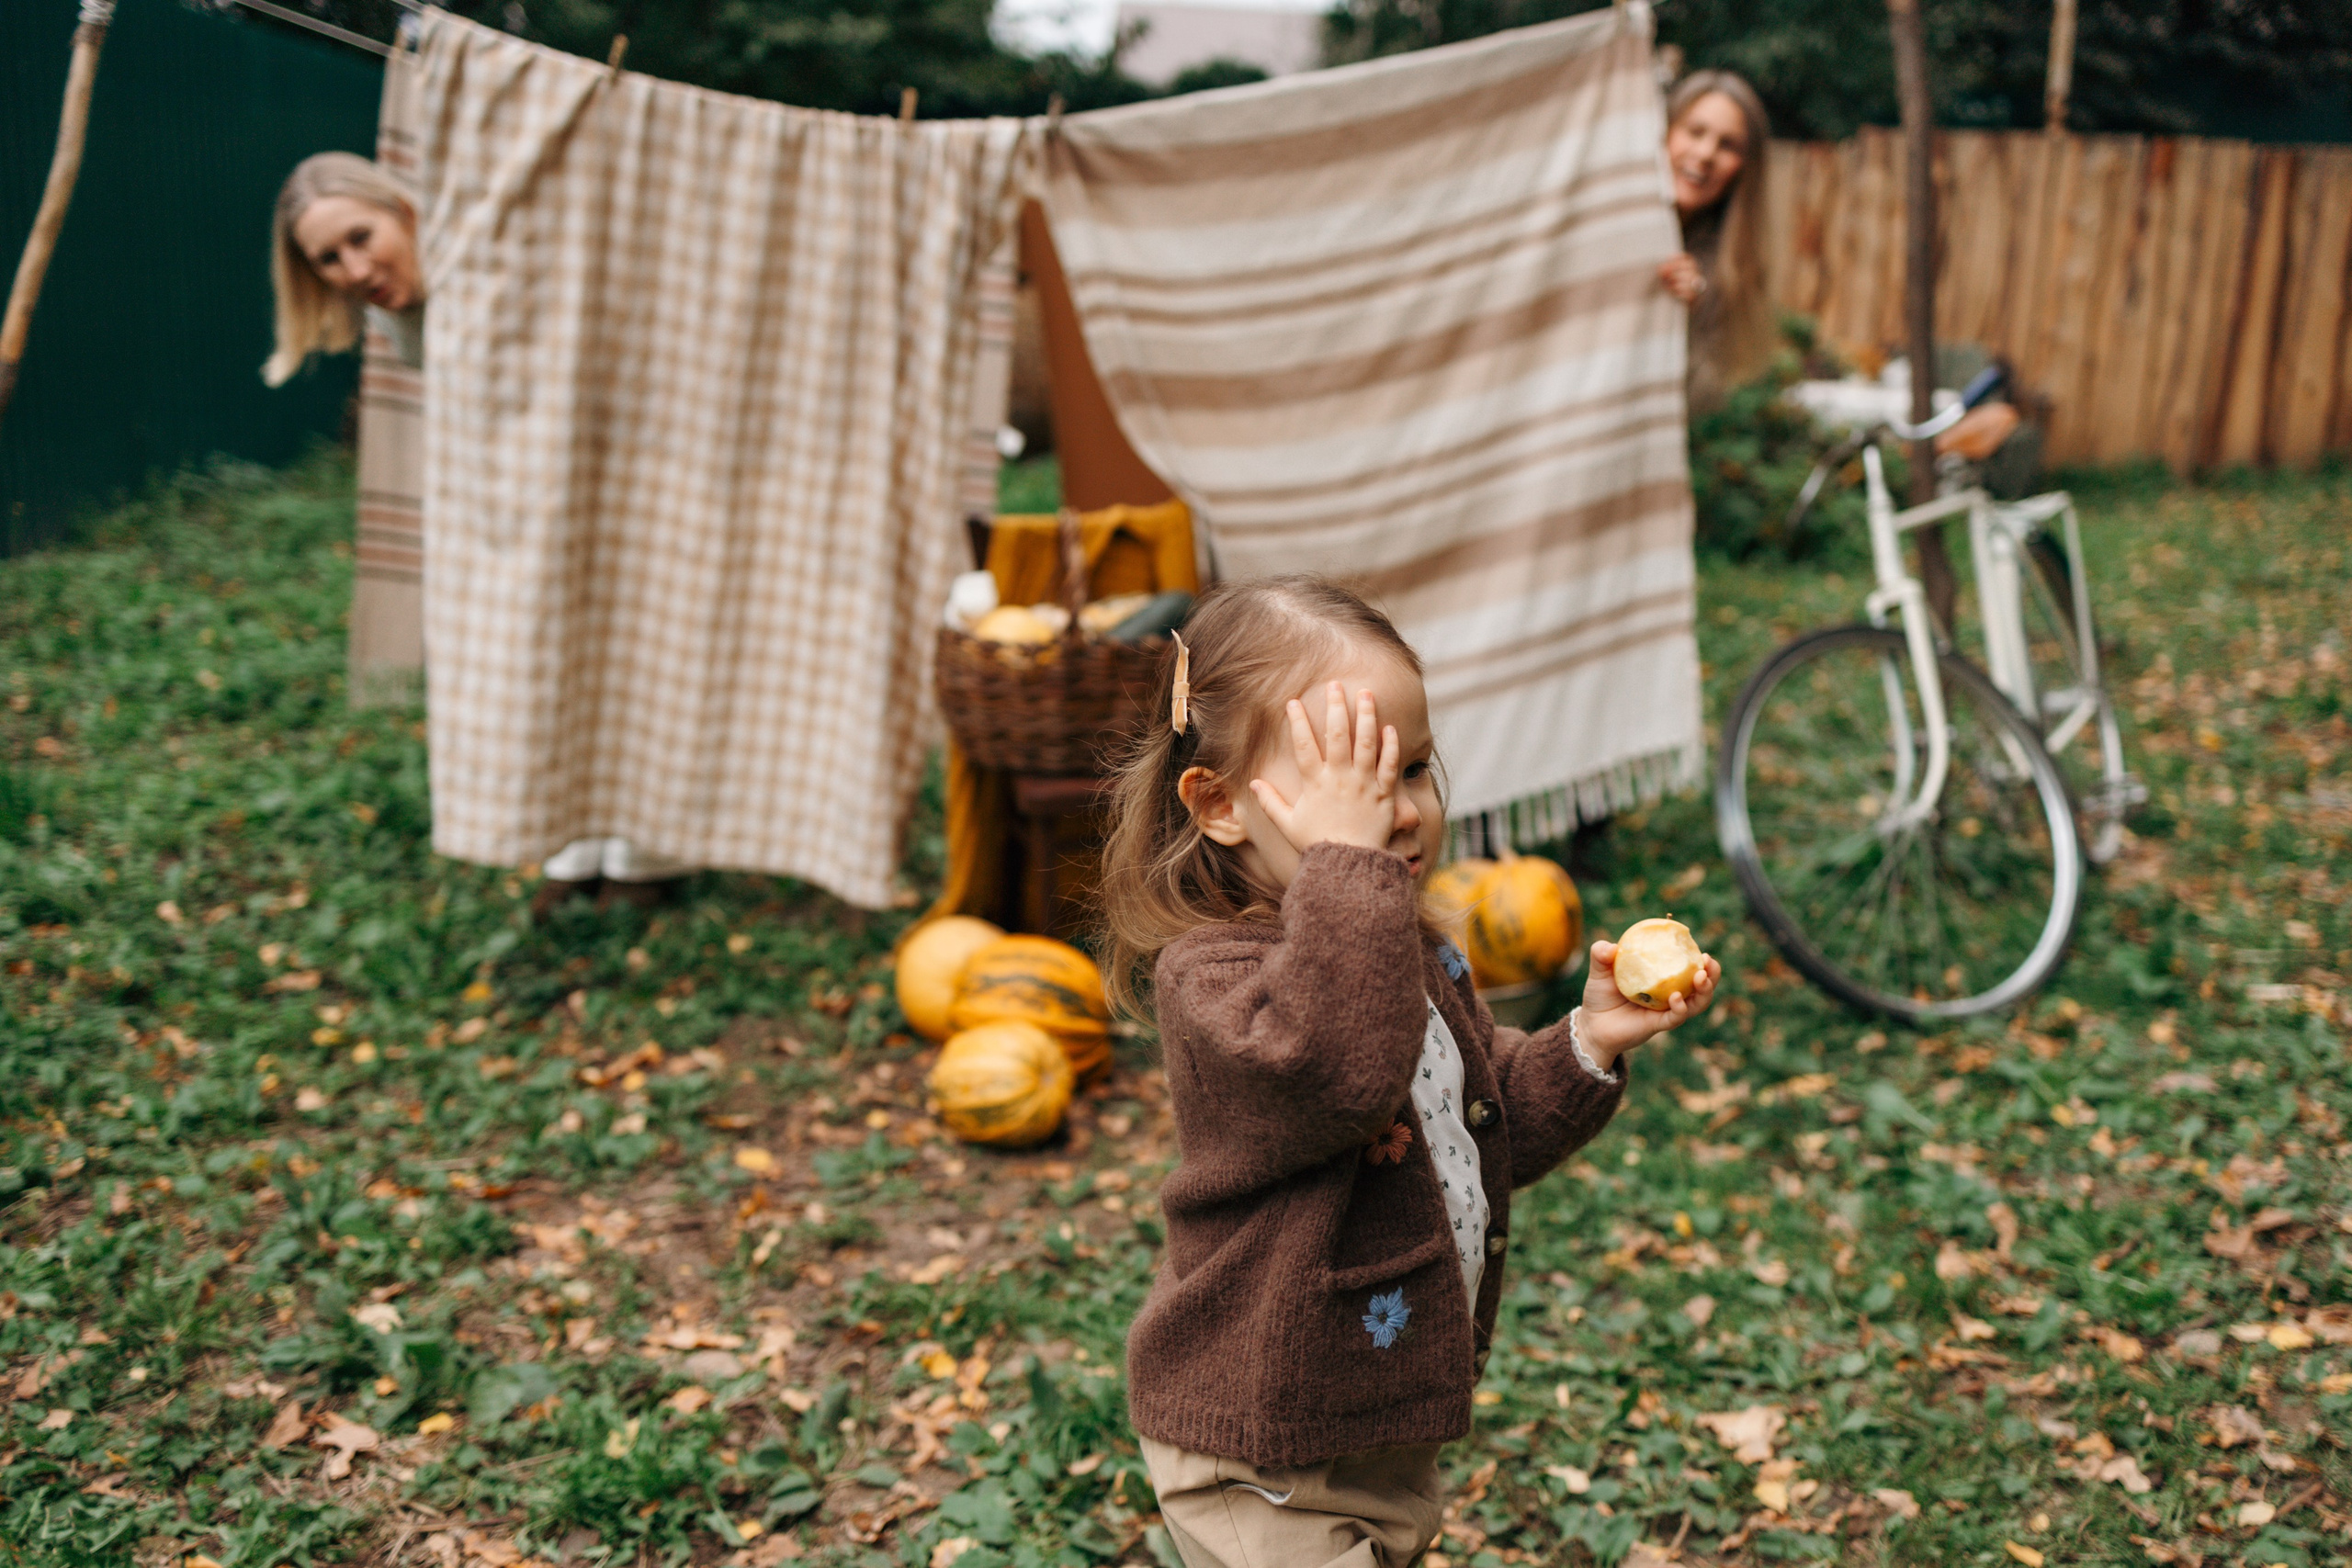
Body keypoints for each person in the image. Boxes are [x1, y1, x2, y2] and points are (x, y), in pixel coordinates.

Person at [1097, 577, 1719, 1568]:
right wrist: (1354, 876)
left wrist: (1587, 1042)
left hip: (1371, 1421)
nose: (1392, 813)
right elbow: (1338, 1074)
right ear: (1217, 804)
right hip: (1260, 1443)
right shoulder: (1212, 978)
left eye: (1413, 768)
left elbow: (1488, 1124)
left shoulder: (1403, 950)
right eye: (1347, 784)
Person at [264, 152, 692, 908]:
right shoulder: (388, 308)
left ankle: (645, 852)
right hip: (523, 492)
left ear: (405, 213)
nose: (355, 267)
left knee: (629, 648)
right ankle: (578, 842)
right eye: (328, 258)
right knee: (550, 648)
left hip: (609, 467)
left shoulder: (482, 265)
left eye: (362, 237)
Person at [1656, 71, 1775, 412]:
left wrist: (1685, 318)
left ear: (1744, 168)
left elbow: (1703, 403)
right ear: (1664, 132)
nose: (1706, 153)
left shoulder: (1725, 267)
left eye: (1728, 145)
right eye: (1694, 132)